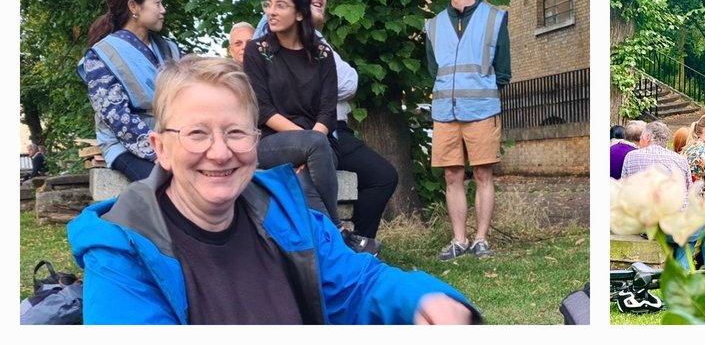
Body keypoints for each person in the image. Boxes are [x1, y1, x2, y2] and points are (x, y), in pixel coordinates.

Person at [67, 55, 476, 324]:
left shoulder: (287, 214)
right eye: (196, 134)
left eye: (235, 133)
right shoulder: (120, 251)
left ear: (256, 140)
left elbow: (360, 284)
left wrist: (422, 299)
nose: (220, 152)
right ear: (161, 149)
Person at [289, 0, 399, 250]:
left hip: (334, 130)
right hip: (310, 132)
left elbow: (348, 80)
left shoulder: (316, 37)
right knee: (315, 183)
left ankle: (359, 246)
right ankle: (339, 251)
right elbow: (335, 83)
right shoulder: (287, 33)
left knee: (383, 176)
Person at [426, 0, 511, 261]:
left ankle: (481, 239)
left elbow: (503, 70)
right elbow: (432, 69)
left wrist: (483, 93)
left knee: (483, 175)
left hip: (481, 111)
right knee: (451, 176)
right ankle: (459, 239)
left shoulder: (494, 17)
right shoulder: (433, 25)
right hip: (445, 113)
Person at [242, 0, 341, 225]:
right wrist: (306, 144)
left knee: (305, 183)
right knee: (316, 147)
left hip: (319, 143)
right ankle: (338, 229)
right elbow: (262, 109)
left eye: (280, 5)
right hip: (270, 142)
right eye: (268, 4)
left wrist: (311, 145)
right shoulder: (257, 50)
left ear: (299, 14)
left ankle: (327, 245)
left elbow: (328, 110)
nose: (271, 12)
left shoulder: (322, 53)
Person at [77, 0, 183, 182]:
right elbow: (117, 118)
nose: (163, 9)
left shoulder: (171, 49)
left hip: (173, 137)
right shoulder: (101, 55)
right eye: (157, 2)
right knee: (172, 185)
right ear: (134, 6)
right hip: (127, 144)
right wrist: (160, 152)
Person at [620, 121, 705, 270]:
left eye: (642, 137)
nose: (640, 141)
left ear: (648, 137)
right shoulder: (680, 160)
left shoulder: (631, 157)